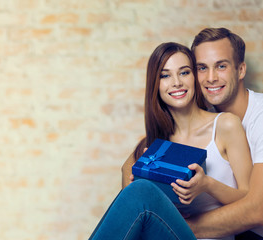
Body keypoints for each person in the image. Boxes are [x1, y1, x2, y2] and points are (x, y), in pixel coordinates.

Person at [120, 28, 263, 239]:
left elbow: (257, 211)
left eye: (221, 66)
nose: (211, 78)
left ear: (241, 70)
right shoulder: (203, 120)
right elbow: (131, 162)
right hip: (240, 234)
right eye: (202, 68)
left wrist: (169, 226)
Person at [90, 42, 253, 240]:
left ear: (195, 77)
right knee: (140, 189)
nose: (176, 82)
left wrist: (207, 185)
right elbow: (129, 187)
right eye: (165, 76)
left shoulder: (226, 125)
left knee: (142, 190)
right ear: (155, 85)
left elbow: (249, 199)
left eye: (184, 72)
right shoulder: (153, 148)